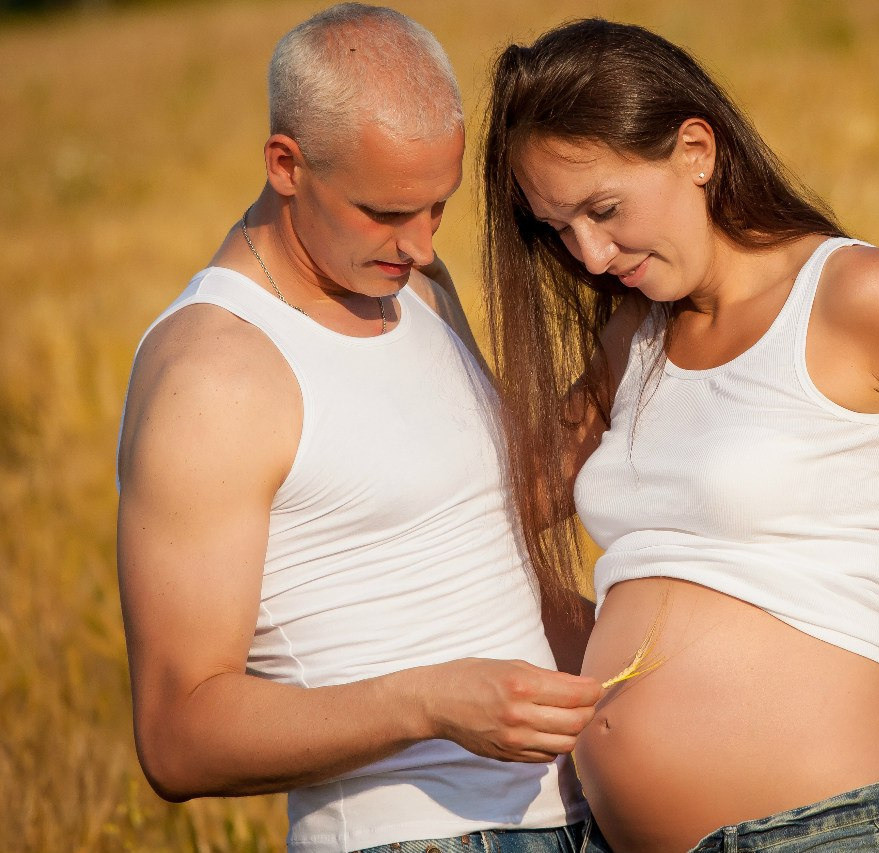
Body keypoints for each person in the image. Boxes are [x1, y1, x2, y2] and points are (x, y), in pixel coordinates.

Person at [480, 18, 879, 853]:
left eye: (604, 210)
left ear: (696, 151)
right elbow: (506, 511)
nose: (592, 255)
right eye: (558, 228)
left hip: (816, 832)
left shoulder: (851, 296)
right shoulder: (633, 335)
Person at [115, 5, 603, 852]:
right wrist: (434, 704)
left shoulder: (411, 283)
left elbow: (485, 508)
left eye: (437, 208)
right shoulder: (212, 374)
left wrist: (647, 344)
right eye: (385, 211)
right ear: (286, 164)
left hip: (581, 812)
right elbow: (178, 734)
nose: (418, 245)